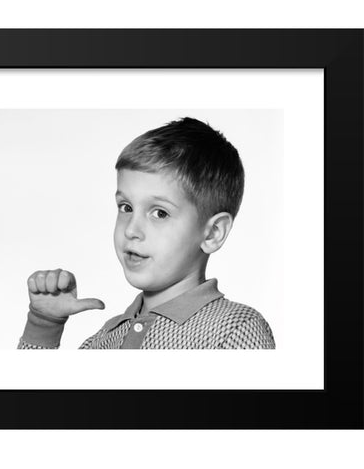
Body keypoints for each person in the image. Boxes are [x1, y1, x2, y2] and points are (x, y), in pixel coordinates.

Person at [18, 117, 275, 350]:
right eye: (126, 207)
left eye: (160, 213)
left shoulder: (234, 330)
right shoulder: (102, 340)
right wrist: (44, 324)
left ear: (213, 233)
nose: (131, 229)